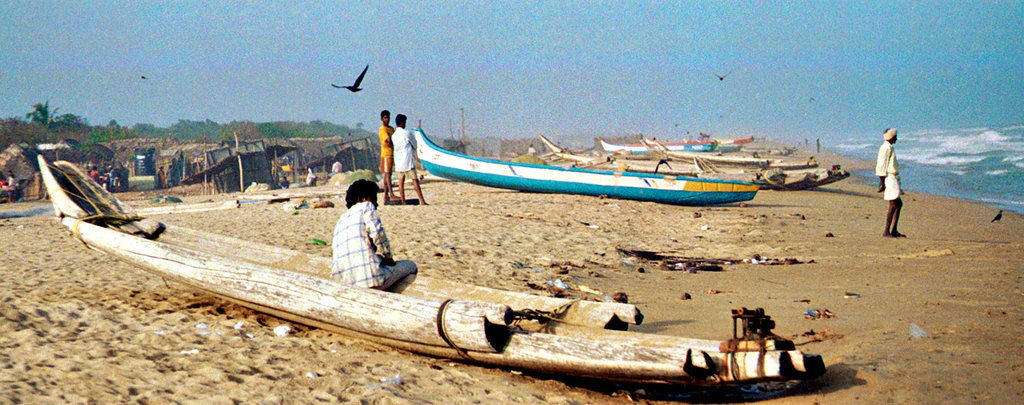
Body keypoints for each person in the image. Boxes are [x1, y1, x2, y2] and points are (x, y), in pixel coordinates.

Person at [330, 179, 417, 290]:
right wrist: (388, 257)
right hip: (368, 281)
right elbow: (377, 233)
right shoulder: (366, 206)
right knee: (410, 266)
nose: (376, 204)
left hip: (344, 282)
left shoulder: (341, 219)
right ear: (362, 198)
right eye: (374, 199)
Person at [390, 114, 428, 205]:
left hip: (398, 161)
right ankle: (422, 200)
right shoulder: (407, 133)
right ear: (403, 123)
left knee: (401, 182)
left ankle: (403, 201)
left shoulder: (394, 135)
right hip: (407, 160)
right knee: (415, 180)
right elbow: (414, 144)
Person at [876, 128, 904, 238]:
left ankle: (893, 230)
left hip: (891, 177)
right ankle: (887, 231)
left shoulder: (888, 147)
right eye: (895, 137)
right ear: (891, 137)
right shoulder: (886, 148)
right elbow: (881, 166)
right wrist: (883, 183)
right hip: (889, 177)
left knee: (898, 204)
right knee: (893, 204)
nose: (896, 139)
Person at [378, 110, 396, 202]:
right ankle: (391, 194)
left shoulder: (391, 129)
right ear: (382, 119)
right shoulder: (383, 129)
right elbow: (388, 140)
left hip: (391, 153)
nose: (387, 119)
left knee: (388, 174)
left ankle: (386, 195)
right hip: (386, 154)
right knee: (388, 174)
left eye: (388, 117)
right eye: (385, 117)